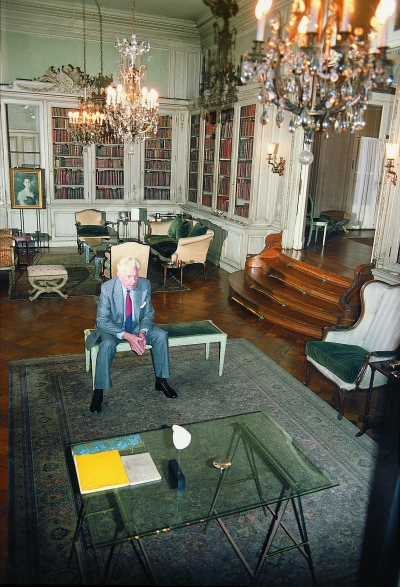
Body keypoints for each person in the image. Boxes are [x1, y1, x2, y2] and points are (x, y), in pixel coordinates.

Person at [85, 255, 178, 413]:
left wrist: (142, 332)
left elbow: (148, 314)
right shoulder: (107, 288)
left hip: (136, 325)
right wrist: (127, 336)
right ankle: (98, 392)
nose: (134, 280)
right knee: (106, 345)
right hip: (112, 327)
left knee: (161, 335)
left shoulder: (144, 284)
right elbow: (102, 321)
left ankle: (161, 381)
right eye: (129, 276)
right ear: (119, 275)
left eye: (135, 275)